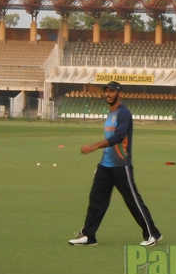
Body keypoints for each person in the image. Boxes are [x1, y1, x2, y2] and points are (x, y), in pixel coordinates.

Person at [69, 81, 162, 247]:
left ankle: (152, 234)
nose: (108, 94)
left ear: (119, 94)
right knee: (96, 199)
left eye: (111, 92)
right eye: (106, 91)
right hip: (105, 166)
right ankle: (89, 235)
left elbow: (119, 137)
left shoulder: (123, 113)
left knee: (132, 200)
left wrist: (95, 145)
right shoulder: (110, 114)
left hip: (121, 165)